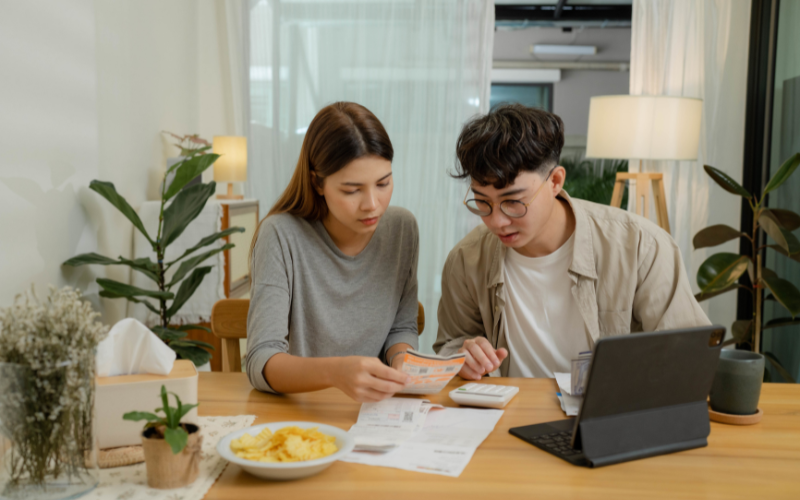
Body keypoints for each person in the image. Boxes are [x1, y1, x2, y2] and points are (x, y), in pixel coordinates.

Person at [434, 104, 710, 381]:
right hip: (514, 406)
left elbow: (688, 354)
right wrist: (463, 356)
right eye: (482, 202)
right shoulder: (467, 259)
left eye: (513, 202)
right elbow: (451, 344)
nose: (496, 221)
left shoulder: (640, 247)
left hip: (610, 406)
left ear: (555, 181)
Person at [246, 102, 419, 402]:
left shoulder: (402, 229)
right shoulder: (280, 234)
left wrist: (402, 362)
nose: (372, 204)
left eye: (383, 183)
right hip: (300, 412)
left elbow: (401, 327)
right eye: (352, 190)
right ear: (317, 182)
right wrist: (336, 373)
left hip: (372, 411)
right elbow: (261, 359)